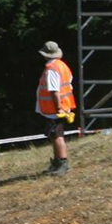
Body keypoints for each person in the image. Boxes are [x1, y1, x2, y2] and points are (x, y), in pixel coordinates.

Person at [36, 41, 76, 176]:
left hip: (55, 110)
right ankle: (58, 162)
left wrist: (58, 108)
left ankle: (62, 163)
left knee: (57, 135)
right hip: (64, 106)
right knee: (55, 134)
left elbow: (54, 91)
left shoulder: (51, 69)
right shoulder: (62, 66)